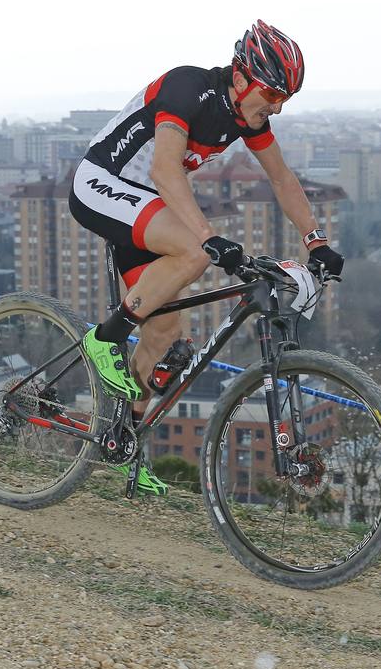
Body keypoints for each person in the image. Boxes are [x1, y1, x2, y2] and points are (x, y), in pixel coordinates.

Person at [68, 20, 344, 408]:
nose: (278, 107)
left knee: (163, 334)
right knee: (195, 252)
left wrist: (316, 242)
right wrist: (207, 236)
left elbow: (282, 179)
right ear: (241, 78)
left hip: (147, 205)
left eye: (286, 97)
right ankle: (104, 339)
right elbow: (164, 169)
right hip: (101, 183)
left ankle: (123, 439)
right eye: (272, 93)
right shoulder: (188, 87)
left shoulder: (247, 117)